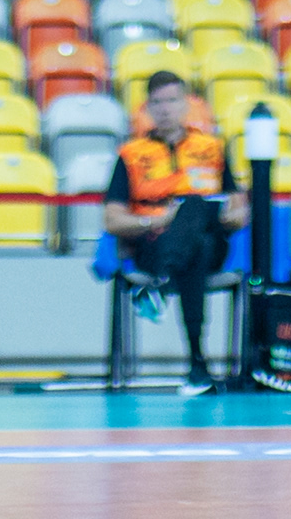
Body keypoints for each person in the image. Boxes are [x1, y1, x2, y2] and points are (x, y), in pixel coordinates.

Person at [106, 74, 244, 391]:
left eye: (171, 100)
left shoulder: (211, 149)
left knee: (195, 206)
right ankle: (197, 362)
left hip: (213, 237)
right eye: (157, 102)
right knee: (198, 247)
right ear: (147, 108)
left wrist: (220, 215)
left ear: (186, 104)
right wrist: (158, 222)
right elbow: (112, 221)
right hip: (153, 243)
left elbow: (239, 212)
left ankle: (161, 283)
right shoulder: (130, 154)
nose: (165, 109)